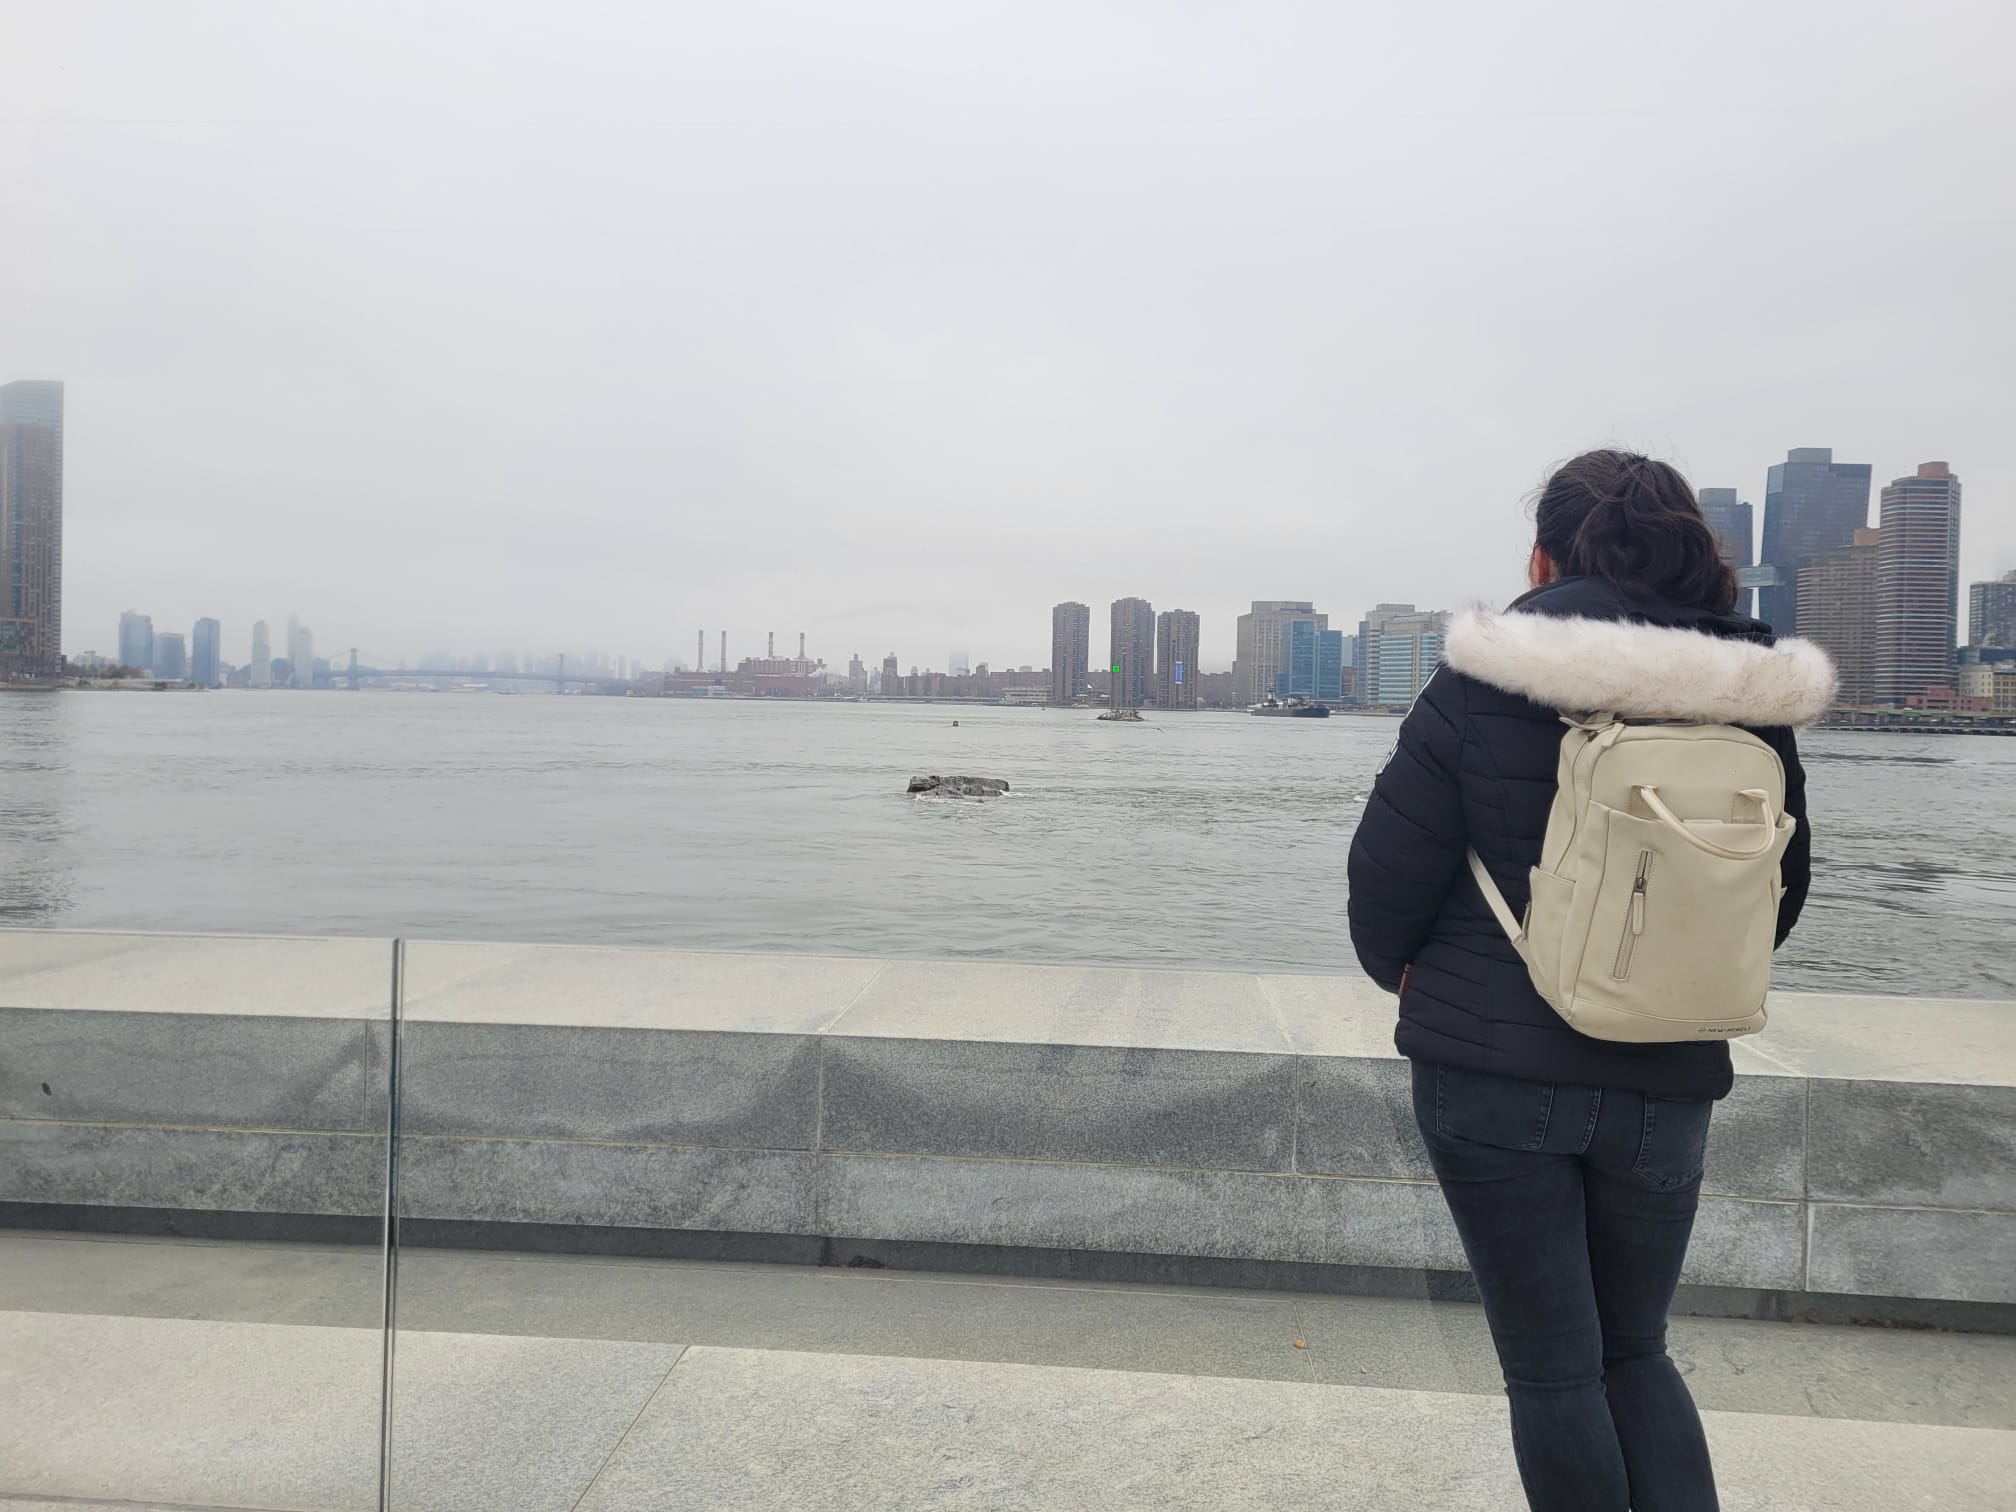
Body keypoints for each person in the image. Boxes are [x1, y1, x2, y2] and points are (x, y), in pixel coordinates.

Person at [1346, 450, 1832, 1511]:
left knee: (1554, 1369)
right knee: (1635, 1352)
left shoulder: (1483, 677)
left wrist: (1418, 981)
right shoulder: (1752, 701)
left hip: (1490, 1078)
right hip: (1670, 1076)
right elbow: (1777, 895)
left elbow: (1384, 880)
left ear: (1542, 557)